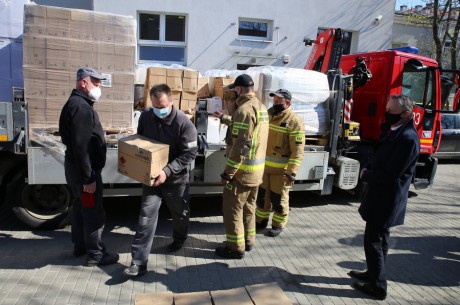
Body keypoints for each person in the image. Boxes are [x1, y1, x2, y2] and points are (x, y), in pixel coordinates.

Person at [349, 94, 420, 300]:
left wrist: (367, 174)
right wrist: (369, 166)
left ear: (405, 114)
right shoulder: (394, 130)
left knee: (374, 241)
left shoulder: (408, 138)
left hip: (386, 199)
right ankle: (372, 274)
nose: (386, 114)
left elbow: (391, 173)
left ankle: (378, 286)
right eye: (386, 109)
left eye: (391, 111)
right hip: (380, 195)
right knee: (380, 239)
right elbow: (379, 157)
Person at [123, 84, 198, 277]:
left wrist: (168, 170)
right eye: (156, 106)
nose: (159, 111)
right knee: (146, 217)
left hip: (176, 178)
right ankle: (138, 262)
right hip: (152, 179)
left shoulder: (184, 124)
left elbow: (190, 153)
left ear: (171, 101)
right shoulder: (147, 115)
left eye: (163, 106)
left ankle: (180, 238)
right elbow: (142, 141)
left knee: (179, 213)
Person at [59, 67, 119, 267]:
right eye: (96, 83)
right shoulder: (81, 108)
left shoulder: (76, 103)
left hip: (76, 169)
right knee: (93, 211)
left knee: (80, 207)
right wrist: (89, 178)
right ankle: (95, 254)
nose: (99, 87)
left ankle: (80, 246)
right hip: (85, 172)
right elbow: (82, 147)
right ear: (83, 82)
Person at [215, 74, 269, 259]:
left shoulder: (243, 110)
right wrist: (224, 118)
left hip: (241, 173)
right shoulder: (261, 108)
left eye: (234, 90)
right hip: (256, 173)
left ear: (238, 89)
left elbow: (241, 146)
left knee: (232, 209)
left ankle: (234, 247)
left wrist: (228, 174)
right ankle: (248, 241)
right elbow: (248, 130)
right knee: (249, 208)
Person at [255, 89, 305, 237]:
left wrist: (292, 172)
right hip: (263, 168)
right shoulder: (267, 115)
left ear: (288, 103)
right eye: (274, 101)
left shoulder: (294, 122)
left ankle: (278, 224)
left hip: (281, 171)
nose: (275, 104)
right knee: (262, 198)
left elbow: (297, 151)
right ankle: (260, 221)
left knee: (279, 199)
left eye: (279, 102)